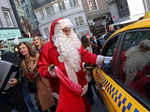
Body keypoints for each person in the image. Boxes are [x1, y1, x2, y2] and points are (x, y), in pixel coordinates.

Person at [37, 18, 112, 112]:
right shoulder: (47, 48)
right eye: (65, 30)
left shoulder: (75, 43)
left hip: (80, 85)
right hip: (64, 90)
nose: (68, 32)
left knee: (85, 108)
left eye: (69, 29)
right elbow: (41, 68)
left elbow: (86, 55)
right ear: (58, 31)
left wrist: (104, 59)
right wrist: (52, 71)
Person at [33, 35, 57, 112]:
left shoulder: (45, 48)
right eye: (34, 40)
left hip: (50, 74)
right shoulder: (35, 53)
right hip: (42, 77)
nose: (36, 41)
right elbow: (36, 67)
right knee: (48, 101)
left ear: (40, 40)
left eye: (37, 39)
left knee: (55, 100)